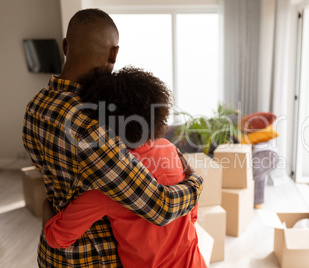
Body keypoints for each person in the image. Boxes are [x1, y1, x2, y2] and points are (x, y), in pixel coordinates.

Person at [22, 9, 203, 267]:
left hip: (55, 252)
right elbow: (160, 207)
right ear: (114, 54)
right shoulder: (90, 126)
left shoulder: (36, 105)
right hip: (91, 259)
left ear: (65, 46)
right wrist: (195, 182)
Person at [43, 67, 207, 268]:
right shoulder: (170, 149)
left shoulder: (108, 187)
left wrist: (46, 204)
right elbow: (192, 214)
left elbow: (56, 238)